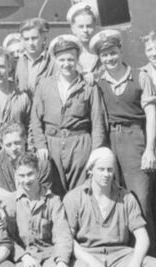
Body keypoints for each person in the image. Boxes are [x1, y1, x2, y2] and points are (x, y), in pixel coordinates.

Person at [90, 29, 156, 244]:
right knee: (117, 198)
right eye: (104, 55)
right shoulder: (98, 81)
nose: (110, 58)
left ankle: (151, 256)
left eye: (113, 53)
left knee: (141, 199)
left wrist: (149, 150)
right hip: (110, 142)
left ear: (121, 50)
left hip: (135, 139)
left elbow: (151, 112)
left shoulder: (140, 76)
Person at [31, 35, 106, 193]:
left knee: (80, 193)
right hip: (52, 145)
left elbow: (98, 122)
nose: (66, 64)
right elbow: (36, 120)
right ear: (54, 60)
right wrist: (40, 145)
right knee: (53, 192)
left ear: (78, 59)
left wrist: (95, 152)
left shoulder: (88, 86)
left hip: (80, 146)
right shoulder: (44, 85)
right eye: (61, 60)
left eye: (71, 59)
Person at [0, 121, 57, 203]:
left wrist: (9, 196)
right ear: (1, 144)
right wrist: (28, 195)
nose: (13, 148)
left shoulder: (42, 163)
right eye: (8, 145)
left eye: (17, 143)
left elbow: (43, 199)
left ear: (25, 139)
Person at [15, 18, 56, 96]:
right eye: (26, 39)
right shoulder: (19, 62)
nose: (31, 43)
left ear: (43, 37)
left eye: (34, 38)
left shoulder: (52, 61)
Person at [67, 2, 100, 77]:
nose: (85, 30)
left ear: (95, 27)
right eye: (81, 27)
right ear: (73, 29)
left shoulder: (102, 53)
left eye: (89, 26)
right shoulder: (67, 56)